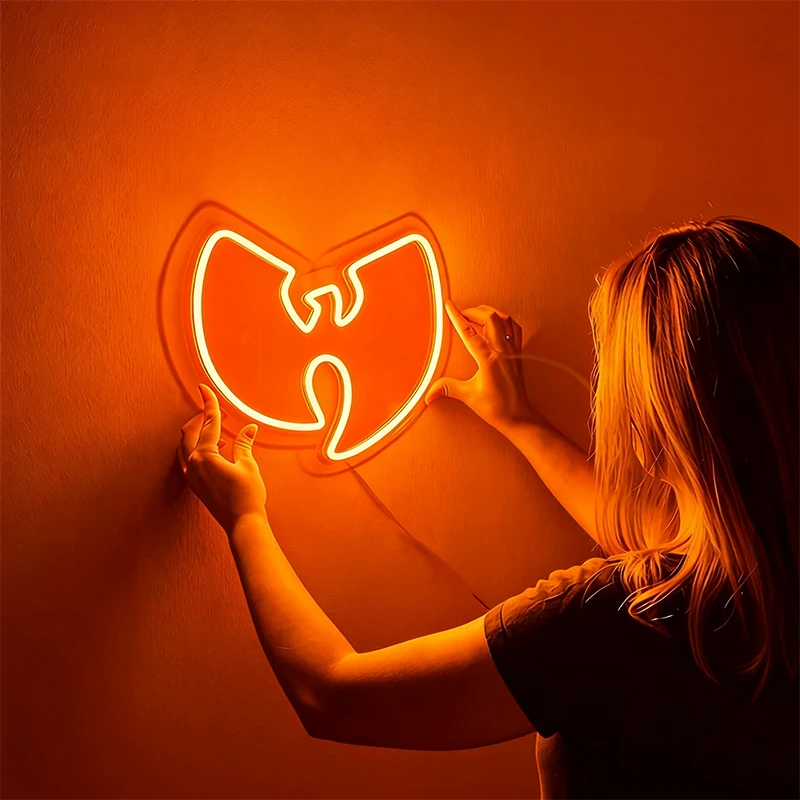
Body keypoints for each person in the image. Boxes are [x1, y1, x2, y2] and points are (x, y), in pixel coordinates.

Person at [177, 217, 800, 799]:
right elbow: (670, 536)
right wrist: (521, 422)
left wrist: (245, 519)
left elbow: (332, 694)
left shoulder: (616, 622)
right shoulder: (760, 579)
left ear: (658, 413)